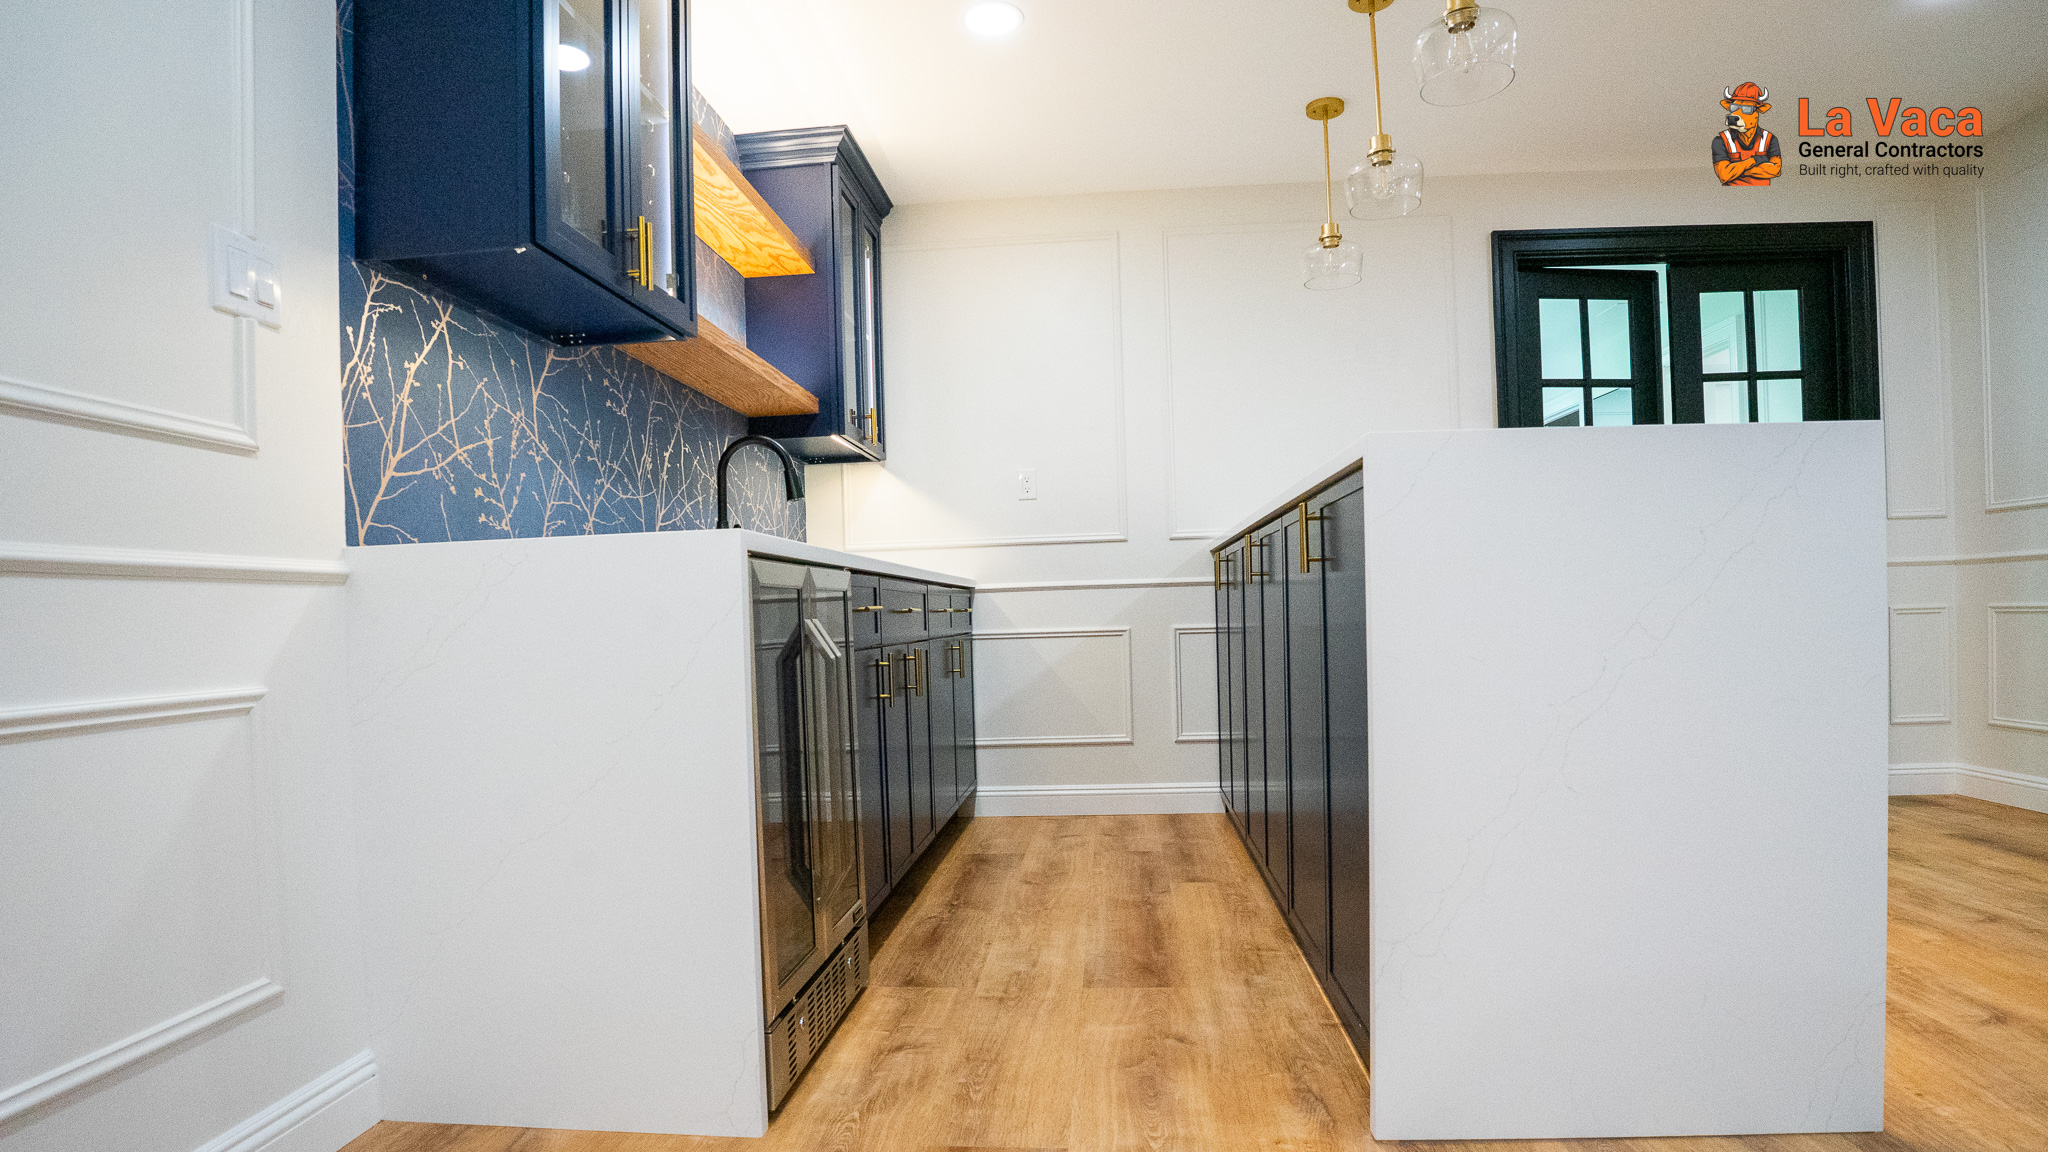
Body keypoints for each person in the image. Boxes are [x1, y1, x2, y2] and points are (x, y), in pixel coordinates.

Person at [1713, 82, 1781, 186]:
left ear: (1759, 111)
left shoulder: (1770, 139)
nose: (1735, 114)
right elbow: (1724, 175)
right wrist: (1754, 160)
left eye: (1747, 109)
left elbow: (1775, 170)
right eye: (1734, 108)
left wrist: (1737, 171)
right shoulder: (1720, 140)